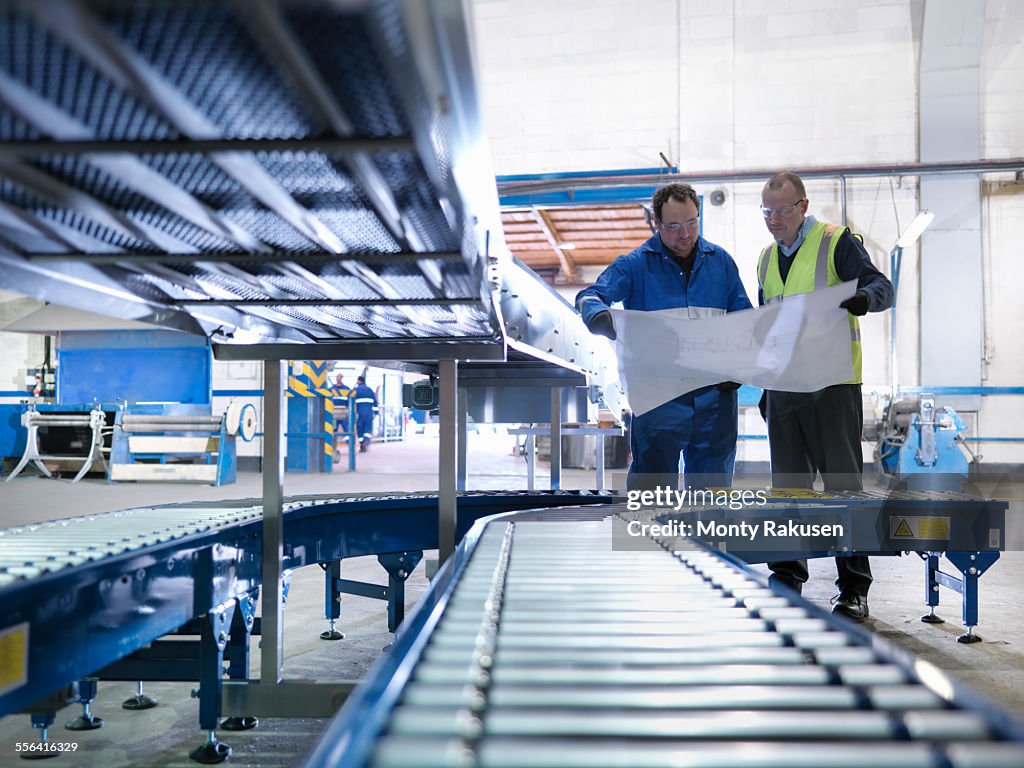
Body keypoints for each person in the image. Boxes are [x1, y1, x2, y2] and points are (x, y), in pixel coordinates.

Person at [756, 171, 894, 623]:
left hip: (832, 386)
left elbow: (881, 286)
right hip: (785, 387)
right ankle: (787, 575)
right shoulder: (763, 259)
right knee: (787, 488)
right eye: (767, 212)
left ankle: (854, 588)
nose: (775, 220)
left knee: (841, 488)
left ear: (803, 206)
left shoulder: (835, 242)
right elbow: (767, 326)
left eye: (783, 210)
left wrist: (864, 301)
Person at [576, 182, 752, 491]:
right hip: (659, 402)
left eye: (691, 222)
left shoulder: (720, 263)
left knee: (712, 500)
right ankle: (650, 541)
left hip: (715, 402)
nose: (684, 233)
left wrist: (738, 366)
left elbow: (744, 319)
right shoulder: (634, 266)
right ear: (656, 224)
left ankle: (706, 540)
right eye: (673, 226)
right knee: (651, 499)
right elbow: (590, 295)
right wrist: (598, 316)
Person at [352, 375, 378, 453]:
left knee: (360, 428)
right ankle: (366, 441)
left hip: (360, 413)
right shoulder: (370, 390)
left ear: (358, 381)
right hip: (369, 413)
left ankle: (361, 443)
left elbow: (350, 401)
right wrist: (376, 413)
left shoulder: (355, 390)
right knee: (368, 428)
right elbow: (375, 402)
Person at [332, 374, 353, 452]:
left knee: (347, 430)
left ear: (342, 378)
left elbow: (350, 402)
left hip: (344, 414)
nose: (338, 378)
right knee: (333, 431)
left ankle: (351, 448)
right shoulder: (332, 389)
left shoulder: (346, 389)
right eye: (337, 377)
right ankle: (333, 448)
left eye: (339, 377)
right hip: (334, 414)